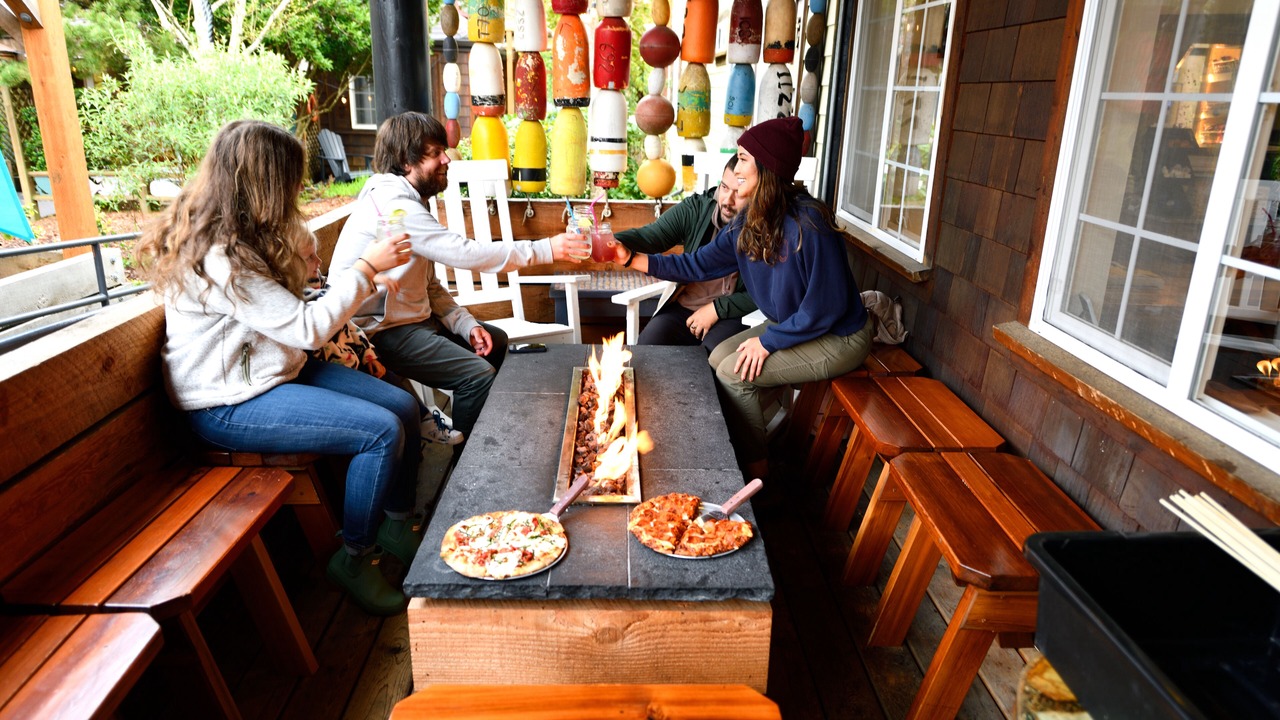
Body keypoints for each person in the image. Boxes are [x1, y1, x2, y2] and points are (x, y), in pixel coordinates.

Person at [136, 120, 422, 616]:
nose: (297, 192)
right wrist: (365, 270)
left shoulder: (245, 236)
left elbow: (284, 313)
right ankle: (355, 557)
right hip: (228, 402)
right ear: (264, 183)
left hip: (273, 370)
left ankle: (397, 525)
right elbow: (307, 330)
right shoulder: (220, 259)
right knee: (378, 432)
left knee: (403, 405)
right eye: (291, 181)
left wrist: (356, 288)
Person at [607, 116, 872, 481]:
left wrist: (768, 342)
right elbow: (697, 265)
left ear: (767, 169)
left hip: (838, 335)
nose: (737, 161)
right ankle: (745, 442)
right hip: (794, 325)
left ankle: (757, 481)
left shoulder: (810, 225)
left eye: (744, 157)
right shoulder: (750, 223)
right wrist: (631, 258)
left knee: (734, 375)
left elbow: (823, 308)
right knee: (718, 357)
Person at [330, 111, 590, 441]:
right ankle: (463, 468)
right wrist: (547, 249)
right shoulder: (394, 205)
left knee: (495, 341)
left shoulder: (411, 200)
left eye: (444, 150)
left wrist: (464, 323)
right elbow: (467, 254)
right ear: (405, 161)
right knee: (477, 377)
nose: (446, 159)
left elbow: (428, 283)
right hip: (377, 331)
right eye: (434, 153)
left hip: (410, 320)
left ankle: (489, 432)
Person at [302, 237, 463, 446]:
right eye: (309, 257)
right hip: (338, 370)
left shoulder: (319, 283)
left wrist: (368, 355)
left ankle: (425, 423)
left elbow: (350, 326)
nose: (319, 261)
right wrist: (367, 276)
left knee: (392, 378)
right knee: (398, 404)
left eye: (316, 254)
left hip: (355, 358)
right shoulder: (306, 295)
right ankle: (420, 429)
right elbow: (329, 309)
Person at [613, 155, 757, 352]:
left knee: (710, 359)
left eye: (738, 193)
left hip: (733, 313)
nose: (727, 200)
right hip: (685, 307)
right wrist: (609, 243)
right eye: (724, 187)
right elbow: (651, 237)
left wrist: (717, 309)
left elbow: (763, 295)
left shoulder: (761, 230)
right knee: (650, 344)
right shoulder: (697, 209)